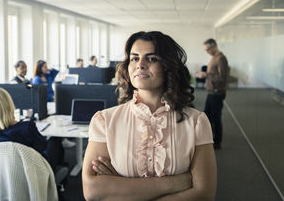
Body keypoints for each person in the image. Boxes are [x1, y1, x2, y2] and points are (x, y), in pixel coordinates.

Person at [82, 31, 217, 200]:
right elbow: (93, 191)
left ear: (168, 65)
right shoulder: (104, 121)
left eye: (151, 58)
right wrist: (177, 182)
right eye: (134, 58)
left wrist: (121, 187)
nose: (140, 65)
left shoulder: (196, 122)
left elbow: (204, 194)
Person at [195, 38, 228, 150]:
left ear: (214, 46)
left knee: (215, 118)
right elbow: (213, 74)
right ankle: (209, 138)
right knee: (207, 117)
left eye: (208, 49)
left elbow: (222, 78)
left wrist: (205, 75)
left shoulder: (221, 59)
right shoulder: (214, 58)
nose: (207, 52)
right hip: (211, 92)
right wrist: (205, 74)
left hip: (217, 93)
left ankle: (217, 142)